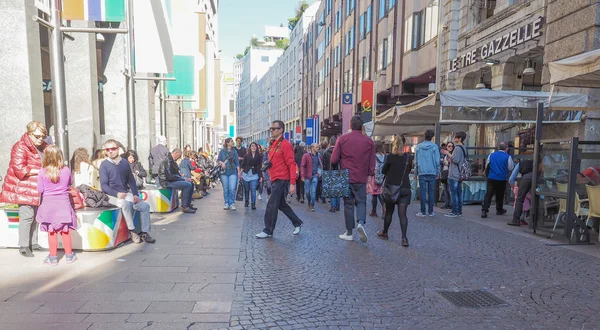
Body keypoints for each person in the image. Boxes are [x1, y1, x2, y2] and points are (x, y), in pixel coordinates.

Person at [0, 121, 49, 257]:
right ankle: (23, 245)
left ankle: (33, 243)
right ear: (29, 133)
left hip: (37, 187)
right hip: (24, 187)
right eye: (37, 136)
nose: (40, 139)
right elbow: (20, 169)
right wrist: (41, 170)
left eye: (43, 136)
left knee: (35, 217)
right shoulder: (20, 146)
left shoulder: (44, 146)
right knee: (27, 216)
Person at [99, 139, 155, 243]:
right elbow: (104, 186)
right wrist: (117, 194)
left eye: (113, 148)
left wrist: (135, 194)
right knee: (125, 204)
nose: (110, 151)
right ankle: (132, 230)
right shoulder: (104, 165)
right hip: (111, 196)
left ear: (118, 149)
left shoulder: (124, 162)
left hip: (125, 193)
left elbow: (131, 180)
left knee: (144, 206)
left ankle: (145, 232)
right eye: (108, 149)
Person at [331, 116, 376, 243]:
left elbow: (333, 159)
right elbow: (372, 163)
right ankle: (361, 223)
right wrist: (369, 179)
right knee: (361, 202)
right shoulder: (369, 141)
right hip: (361, 177)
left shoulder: (343, 139)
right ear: (362, 127)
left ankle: (349, 232)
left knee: (348, 204)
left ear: (350, 125)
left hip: (345, 176)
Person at [256, 120, 303, 239]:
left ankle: (268, 230)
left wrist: (292, 183)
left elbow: (291, 164)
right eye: (270, 129)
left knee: (271, 205)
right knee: (281, 204)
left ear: (280, 130)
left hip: (281, 178)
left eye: (273, 128)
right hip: (274, 177)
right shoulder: (273, 144)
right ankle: (297, 222)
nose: (271, 130)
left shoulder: (286, 145)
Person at [36, 145, 78, 265]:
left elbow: (40, 190)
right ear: (60, 156)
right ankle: (69, 256)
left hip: (48, 205)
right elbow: (69, 183)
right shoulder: (66, 170)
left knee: (51, 232)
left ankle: (53, 258)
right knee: (65, 231)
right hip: (63, 203)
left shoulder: (42, 172)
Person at [376, 135, 413, 247]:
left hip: (392, 188)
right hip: (405, 188)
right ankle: (404, 238)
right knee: (403, 215)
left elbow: (383, 171)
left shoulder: (390, 157)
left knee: (389, 212)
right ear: (404, 144)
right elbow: (408, 170)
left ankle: (385, 232)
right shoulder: (408, 157)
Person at [481, 141, 514, 218]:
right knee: (500, 194)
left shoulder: (491, 155)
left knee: (488, 194)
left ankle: (484, 210)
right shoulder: (508, 156)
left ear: (498, 148)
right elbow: (510, 167)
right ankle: (499, 209)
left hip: (491, 177)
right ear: (506, 148)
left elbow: (487, 165)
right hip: (502, 178)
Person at [158, 148, 196, 213]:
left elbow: (175, 174)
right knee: (187, 185)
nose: (179, 158)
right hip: (166, 182)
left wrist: (183, 177)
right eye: (179, 156)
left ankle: (188, 203)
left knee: (191, 183)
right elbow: (170, 176)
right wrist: (183, 179)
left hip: (171, 180)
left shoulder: (171, 160)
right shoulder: (168, 161)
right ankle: (184, 206)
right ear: (176, 153)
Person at [414, 130, 441, 217]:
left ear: (424, 136)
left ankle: (422, 211)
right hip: (432, 171)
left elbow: (416, 161)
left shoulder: (418, 147)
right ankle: (431, 211)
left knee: (422, 192)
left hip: (422, 171)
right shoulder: (434, 146)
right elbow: (437, 161)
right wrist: (438, 171)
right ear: (432, 137)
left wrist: (415, 172)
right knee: (431, 192)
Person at [441, 131, 467, 218]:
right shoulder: (463, 147)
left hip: (454, 173)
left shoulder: (458, 148)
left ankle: (455, 211)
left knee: (454, 193)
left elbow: (456, 160)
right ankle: (459, 211)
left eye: (455, 137)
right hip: (459, 173)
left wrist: (448, 153)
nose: (454, 138)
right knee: (459, 193)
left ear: (459, 138)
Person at [507, 154, 534, 226]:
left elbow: (511, 179)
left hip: (526, 179)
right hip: (536, 180)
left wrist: (514, 189)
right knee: (535, 198)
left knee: (520, 199)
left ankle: (516, 220)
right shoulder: (538, 163)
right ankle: (536, 220)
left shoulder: (521, 163)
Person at [218, 138, 240, 210]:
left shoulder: (235, 152)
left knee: (232, 188)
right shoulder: (222, 151)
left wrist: (239, 172)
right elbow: (218, 160)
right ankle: (226, 203)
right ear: (227, 143)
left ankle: (232, 203)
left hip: (233, 172)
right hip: (224, 172)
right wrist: (222, 163)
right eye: (231, 141)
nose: (233, 142)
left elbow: (237, 162)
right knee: (226, 188)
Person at [300, 143, 323, 212]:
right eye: (316, 147)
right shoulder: (306, 155)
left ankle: (312, 205)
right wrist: (302, 175)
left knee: (313, 191)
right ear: (312, 148)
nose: (318, 148)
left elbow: (320, 165)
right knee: (307, 192)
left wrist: (318, 173)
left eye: (318, 147)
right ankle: (309, 202)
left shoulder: (318, 155)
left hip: (314, 176)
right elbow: (302, 166)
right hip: (307, 176)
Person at [240, 142, 262, 210]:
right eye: (252, 146)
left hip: (254, 175)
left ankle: (253, 203)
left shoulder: (259, 156)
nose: (254, 147)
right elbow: (243, 165)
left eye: (255, 146)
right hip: (246, 174)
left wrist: (260, 176)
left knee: (253, 189)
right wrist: (240, 173)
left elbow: (260, 166)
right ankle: (246, 201)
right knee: (246, 189)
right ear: (250, 147)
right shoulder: (246, 155)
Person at [322, 136, 340, 212]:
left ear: (330, 143)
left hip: (329, 172)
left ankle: (333, 207)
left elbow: (324, 163)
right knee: (338, 190)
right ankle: (338, 206)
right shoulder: (339, 151)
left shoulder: (326, 152)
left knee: (332, 190)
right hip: (338, 172)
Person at [369, 141, 386, 217]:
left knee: (374, 195)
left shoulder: (373, 156)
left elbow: (371, 167)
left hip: (375, 177)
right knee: (381, 194)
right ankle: (384, 209)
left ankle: (374, 211)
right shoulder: (386, 156)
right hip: (383, 178)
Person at [440, 142, 454, 210]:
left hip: (450, 174)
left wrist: (448, 163)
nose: (450, 147)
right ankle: (446, 203)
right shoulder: (444, 155)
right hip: (444, 173)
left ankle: (451, 204)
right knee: (445, 190)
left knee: (449, 190)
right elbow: (440, 162)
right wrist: (443, 162)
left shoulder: (453, 155)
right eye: (449, 146)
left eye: (452, 146)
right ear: (446, 147)